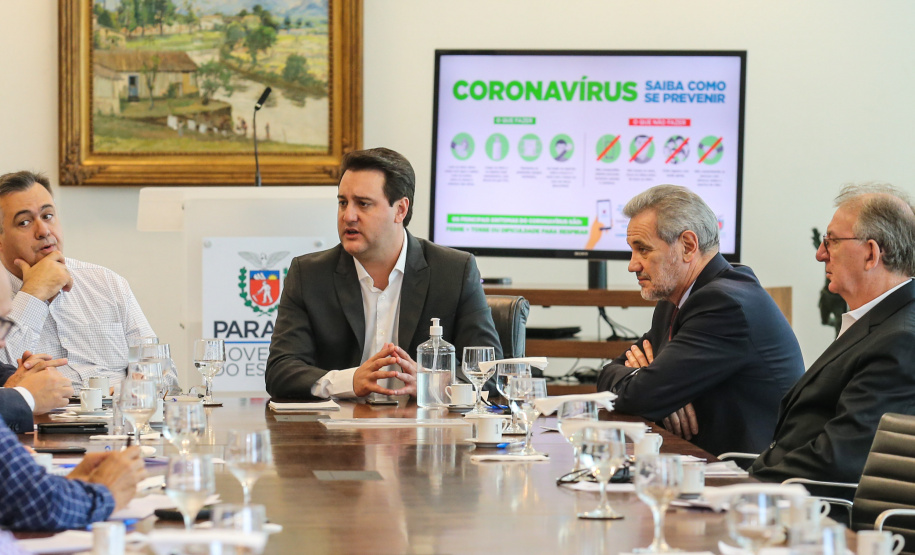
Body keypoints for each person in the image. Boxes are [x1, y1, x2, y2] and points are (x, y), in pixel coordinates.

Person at [266, 147, 502, 399]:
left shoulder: (454, 271)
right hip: (339, 432)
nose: (348, 216)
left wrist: (431, 384)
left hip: (424, 433)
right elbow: (280, 372)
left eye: (363, 204)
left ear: (400, 209)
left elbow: (488, 373)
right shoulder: (310, 275)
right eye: (343, 202)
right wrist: (350, 380)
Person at [596, 185, 804, 455]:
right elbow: (610, 374)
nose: (633, 265)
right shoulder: (674, 302)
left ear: (688, 245)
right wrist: (661, 388)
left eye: (643, 250)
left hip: (744, 476)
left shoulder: (723, 304)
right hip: (698, 461)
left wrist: (658, 389)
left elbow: (639, 396)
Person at [750, 184, 915, 489]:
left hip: (824, 517)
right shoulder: (877, 321)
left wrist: (744, 489)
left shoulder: (901, 339)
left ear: (870, 253)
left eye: (832, 241)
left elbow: (838, 459)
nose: (820, 254)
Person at [0, 263, 147, 532]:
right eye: (3, 323)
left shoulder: (106, 280)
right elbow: (39, 503)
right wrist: (105, 492)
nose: (2, 342)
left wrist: (70, 483)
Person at [0, 171, 177, 389]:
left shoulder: (107, 283)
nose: (44, 230)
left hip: (120, 415)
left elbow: (165, 374)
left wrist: (127, 394)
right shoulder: (2, 299)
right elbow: (5, 383)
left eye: (47, 216)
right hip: (44, 420)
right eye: (24, 222)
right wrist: (33, 294)